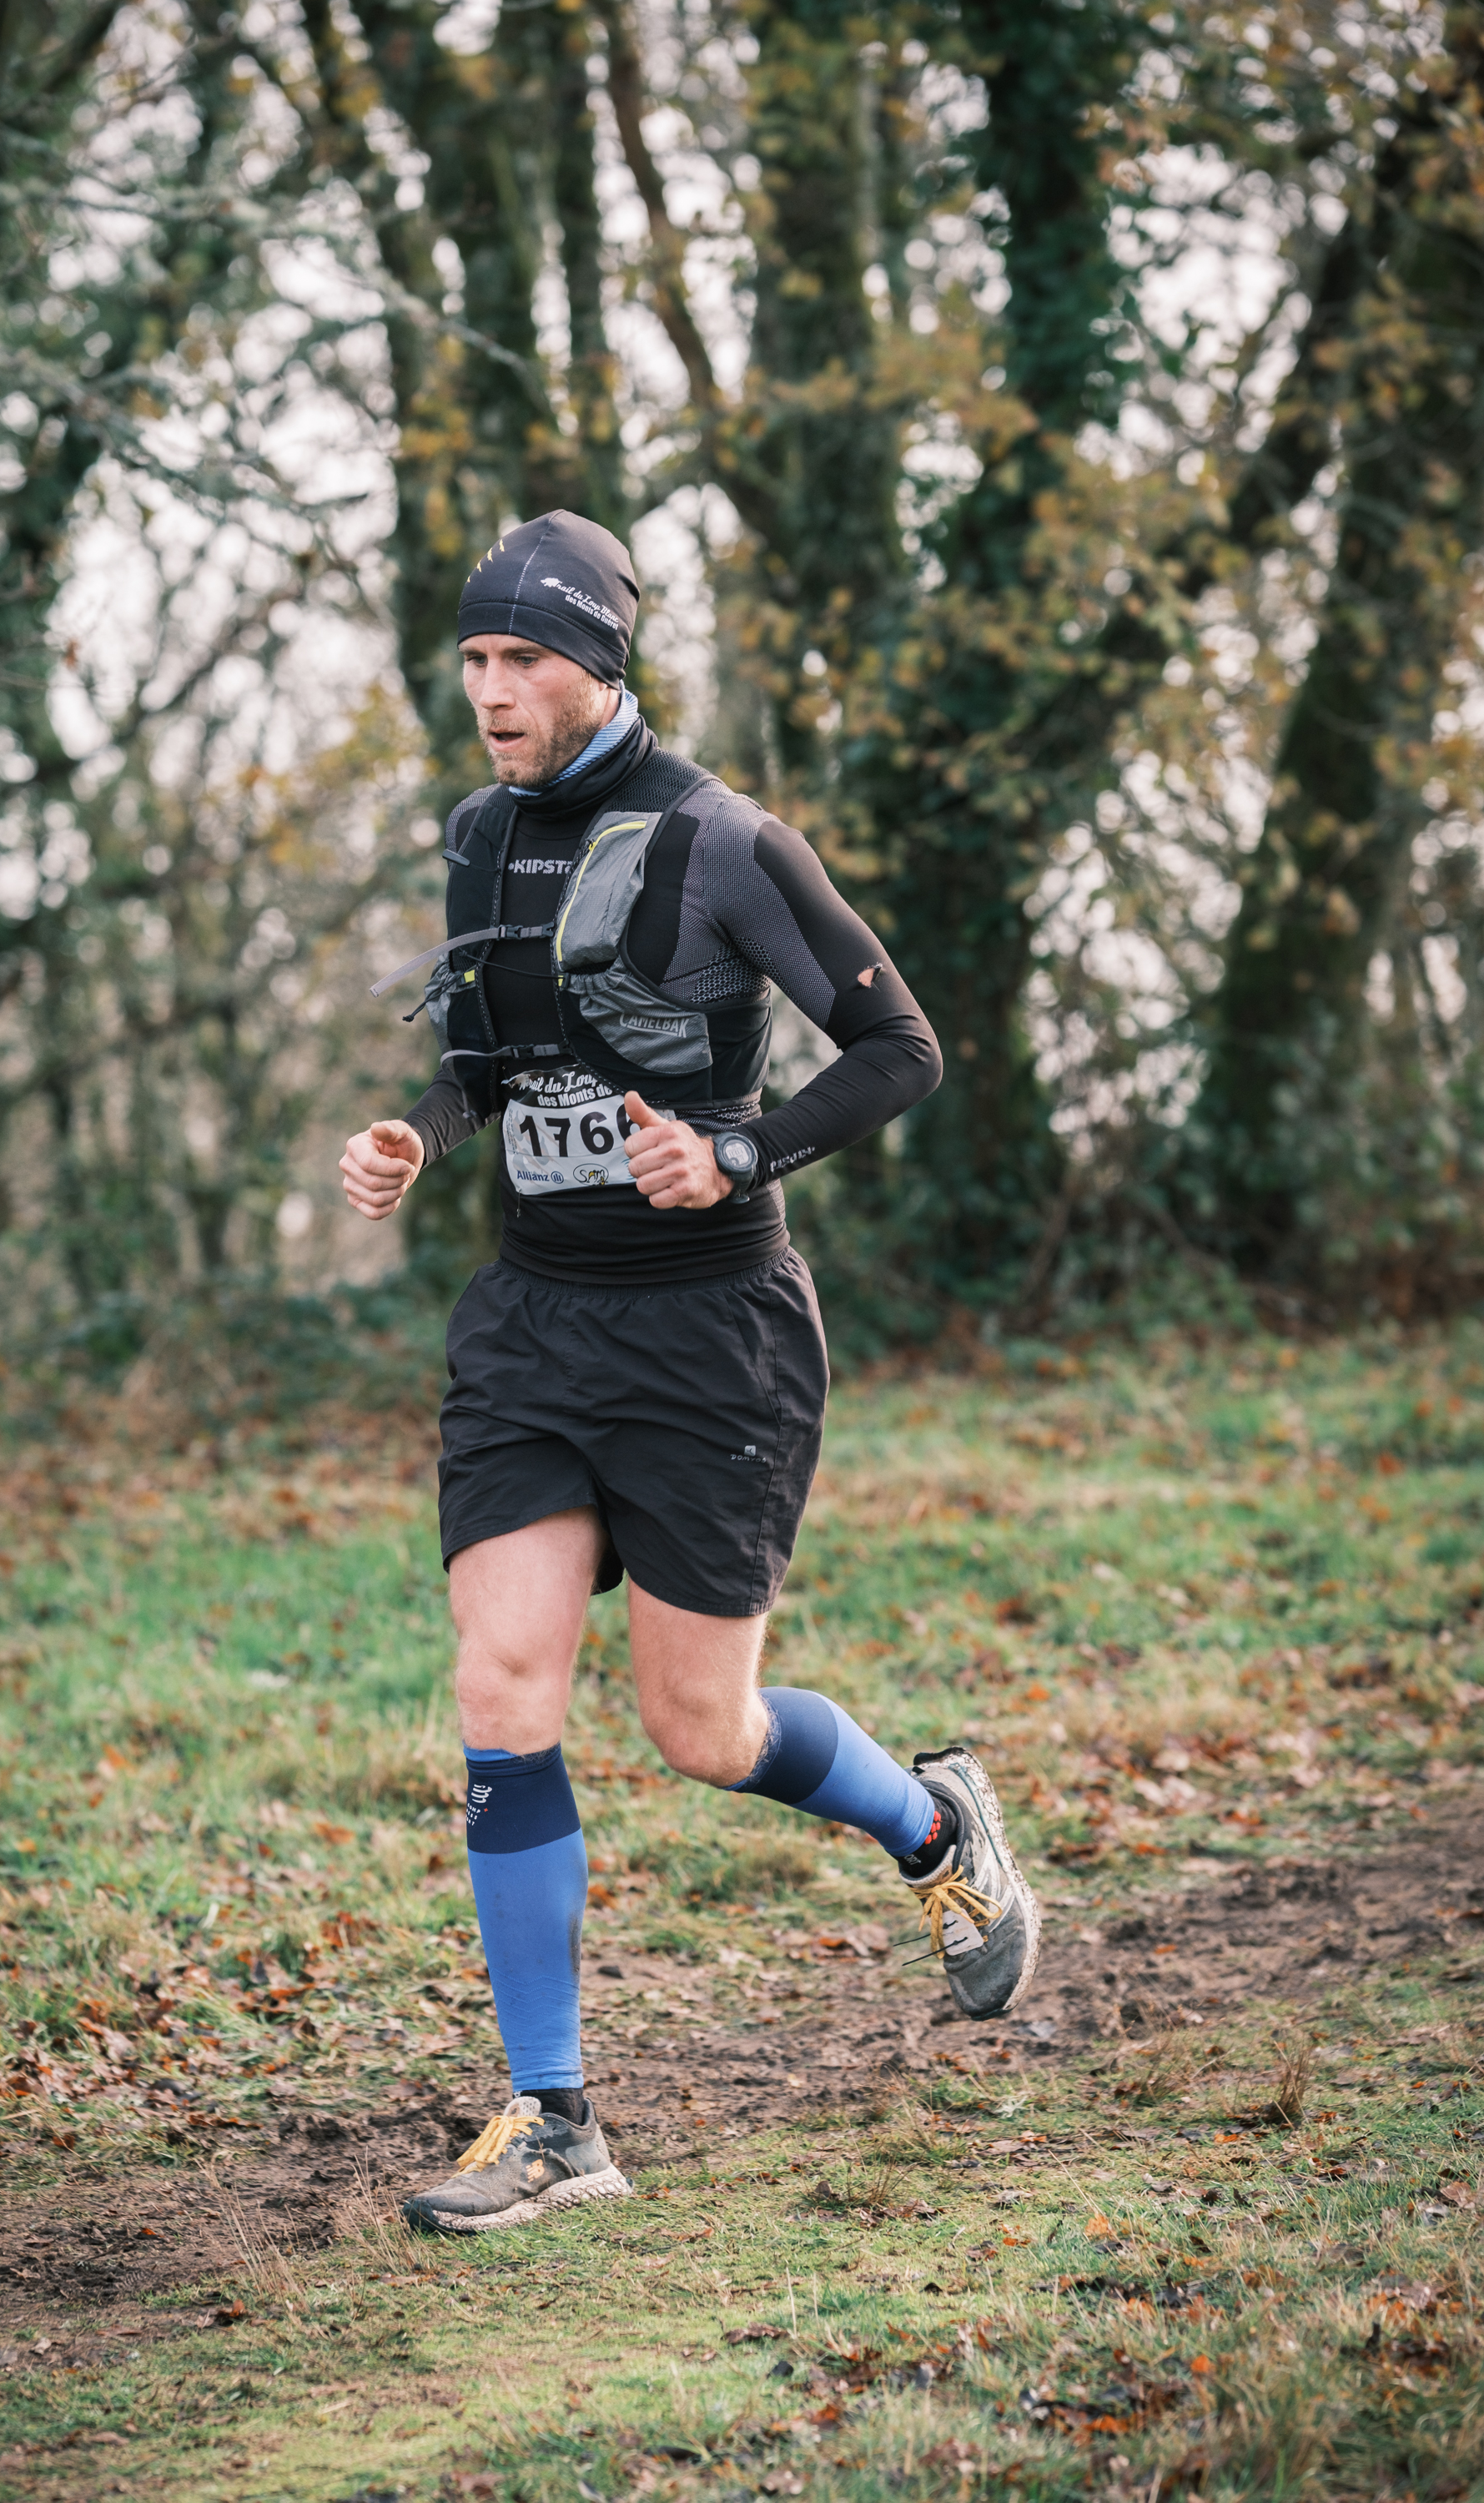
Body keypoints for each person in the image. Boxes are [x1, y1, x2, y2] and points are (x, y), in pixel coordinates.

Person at [340, 511, 1040, 2236]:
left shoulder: (727, 844)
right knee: (504, 1691)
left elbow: (899, 1050)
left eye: (523, 659)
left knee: (699, 1729)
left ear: (600, 662)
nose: (491, 691)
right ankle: (554, 2118)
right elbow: (492, 1063)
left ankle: (931, 1825)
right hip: (531, 1325)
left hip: (711, 1340)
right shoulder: (480, 838)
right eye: (474, 659)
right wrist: (417, 1134)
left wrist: (738, 1151)